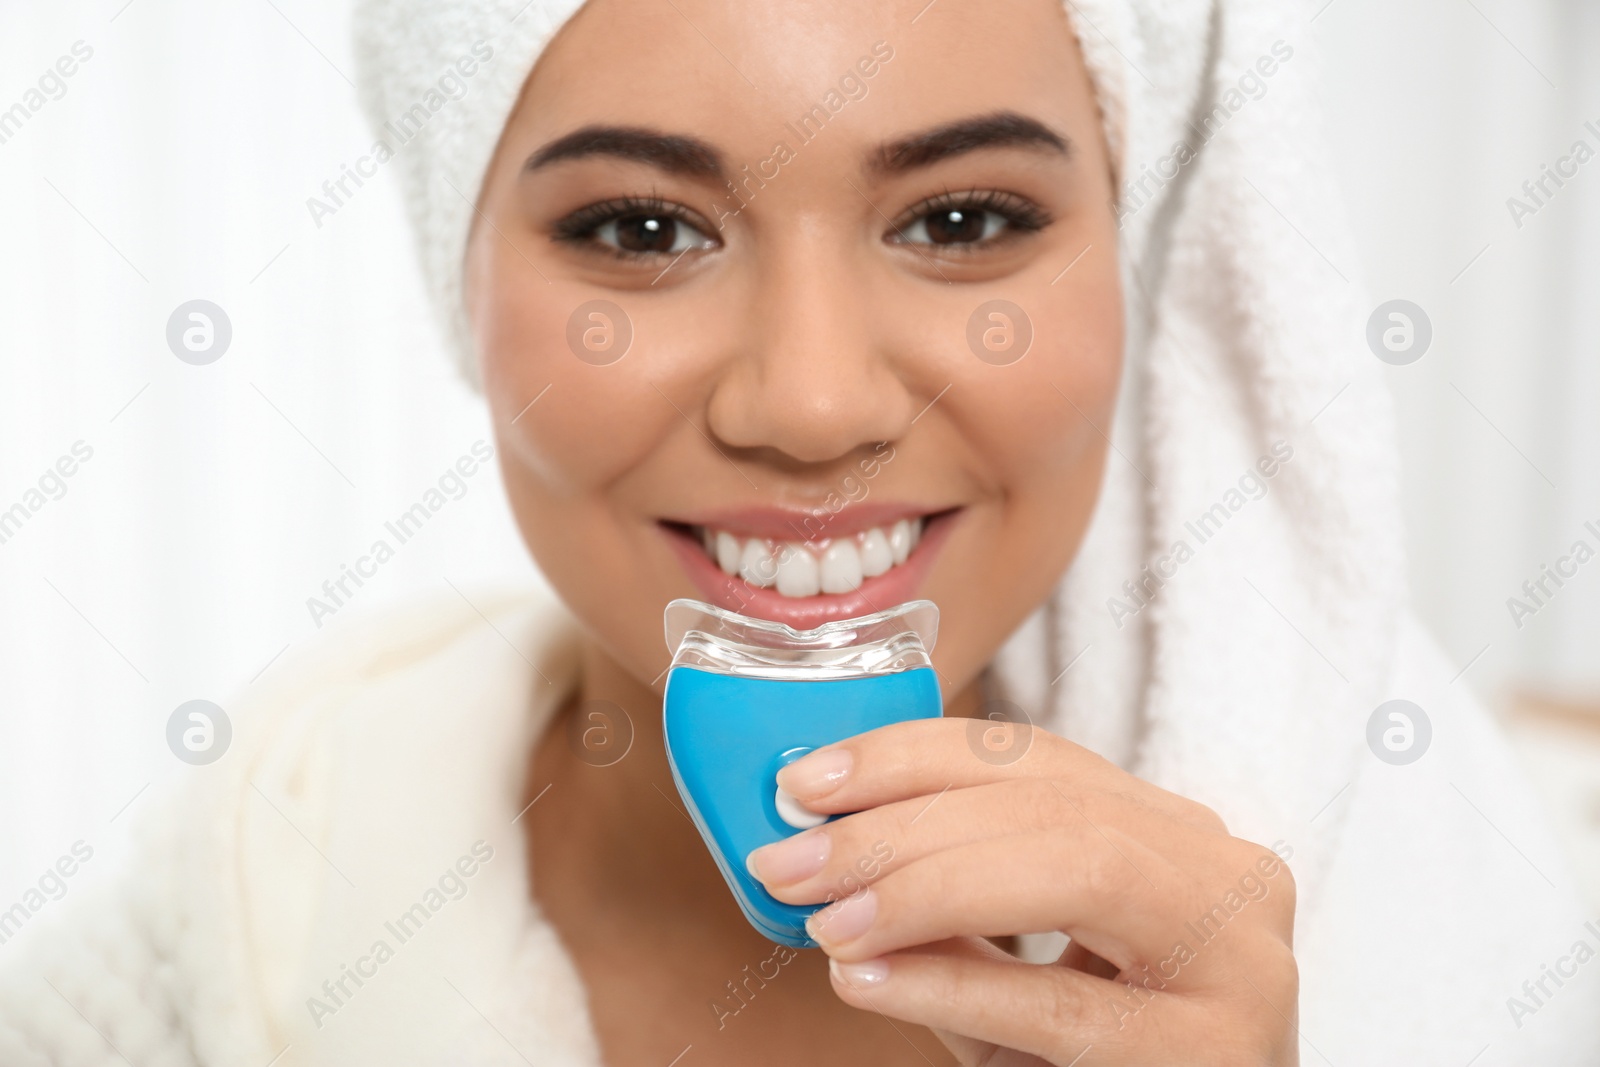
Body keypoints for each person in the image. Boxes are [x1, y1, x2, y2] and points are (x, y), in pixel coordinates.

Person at [3, 0, 1595, 1064]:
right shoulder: (207, 946)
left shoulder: (1505, 935)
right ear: (459, 285)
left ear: (1132, 267)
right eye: (640, 229)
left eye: (964, 221)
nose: (816, 403)